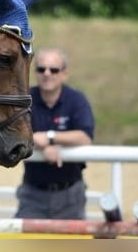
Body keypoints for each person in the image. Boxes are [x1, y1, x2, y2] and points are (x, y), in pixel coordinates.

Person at [15, 47, 95, 220]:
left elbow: (85, 137)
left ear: (64, 74)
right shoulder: (25, 99)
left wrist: (49, 138)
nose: (47, 74)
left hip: (70, 194)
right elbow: (15, 135)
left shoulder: (76, 100)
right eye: (41, 69)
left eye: (54, 70)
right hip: (32, 193)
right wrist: (44, 147)